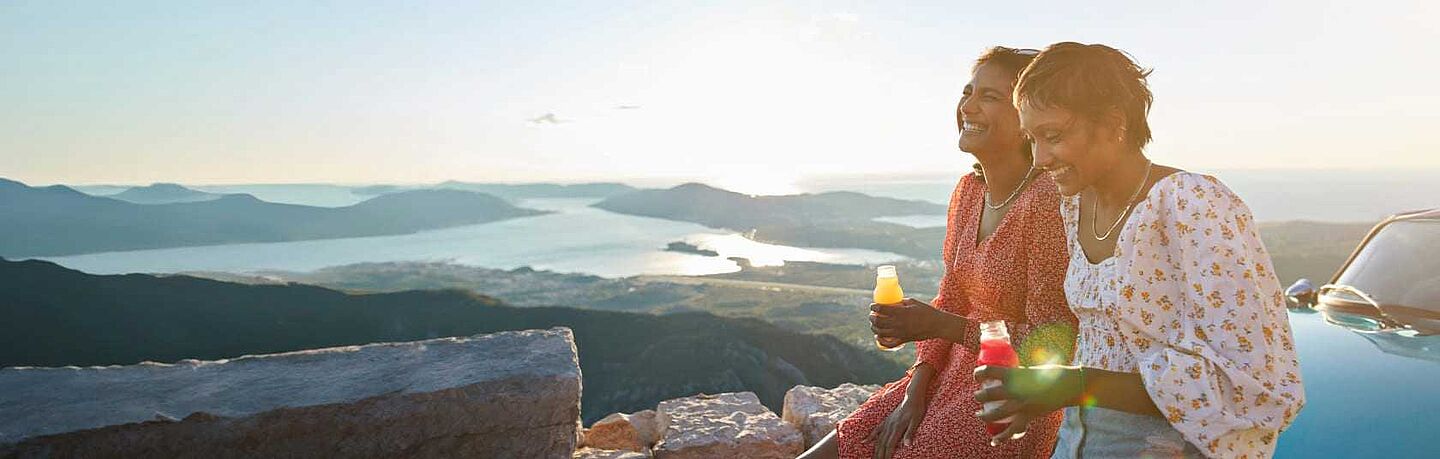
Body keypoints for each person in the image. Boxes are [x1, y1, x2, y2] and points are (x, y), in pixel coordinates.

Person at [973, 42, 1305, 459]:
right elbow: (1103, 347)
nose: (1039, 158)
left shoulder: (1190, 203)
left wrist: (1076, 384)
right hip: (1077, 444)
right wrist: (1039, 397)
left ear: (1114, 123)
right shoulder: (1076, 204)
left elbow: (1255, 385)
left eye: (1053, 136)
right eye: (1032, 138)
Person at [797, 46, 1078, 459]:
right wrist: (915, 389)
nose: (968, 106)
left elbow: (1049, 343)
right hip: (943, 375)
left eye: (989, 96)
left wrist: (941, 326)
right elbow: (952, 296)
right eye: (968, 91)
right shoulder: (969, 191)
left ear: (1028, 121)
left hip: (1007, 397)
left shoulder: (1046, 201)